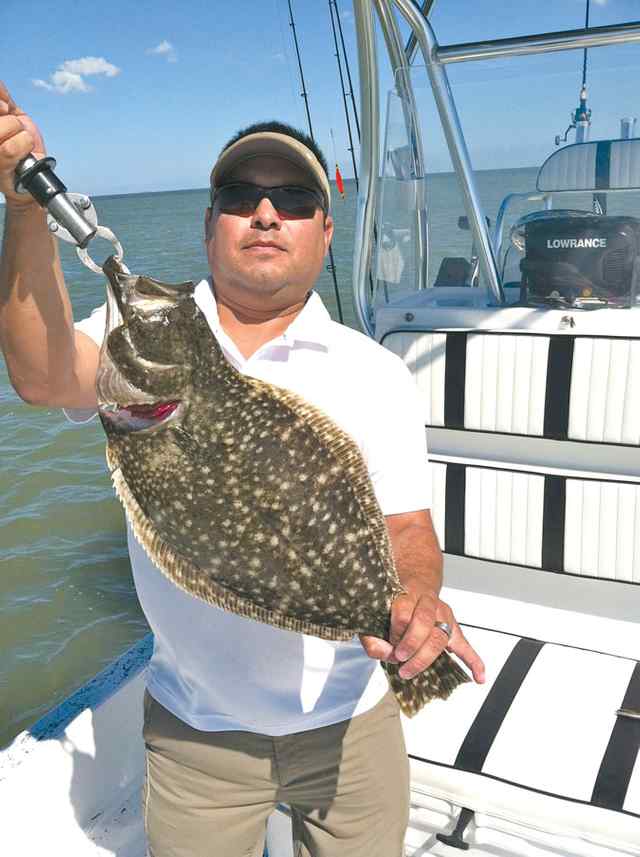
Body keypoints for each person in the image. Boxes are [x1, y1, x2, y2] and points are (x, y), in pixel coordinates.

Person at [0, 81, 485, 857]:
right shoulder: (147, 332)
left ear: (325, 231)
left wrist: (415, 600)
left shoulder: (375, 371)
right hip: (195, 730)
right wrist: (26, 207)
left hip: (351, 721)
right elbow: (41, 373)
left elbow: (406, 529)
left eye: (293, 199)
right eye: (240, 196)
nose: (265, 213)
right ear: (209, 225)